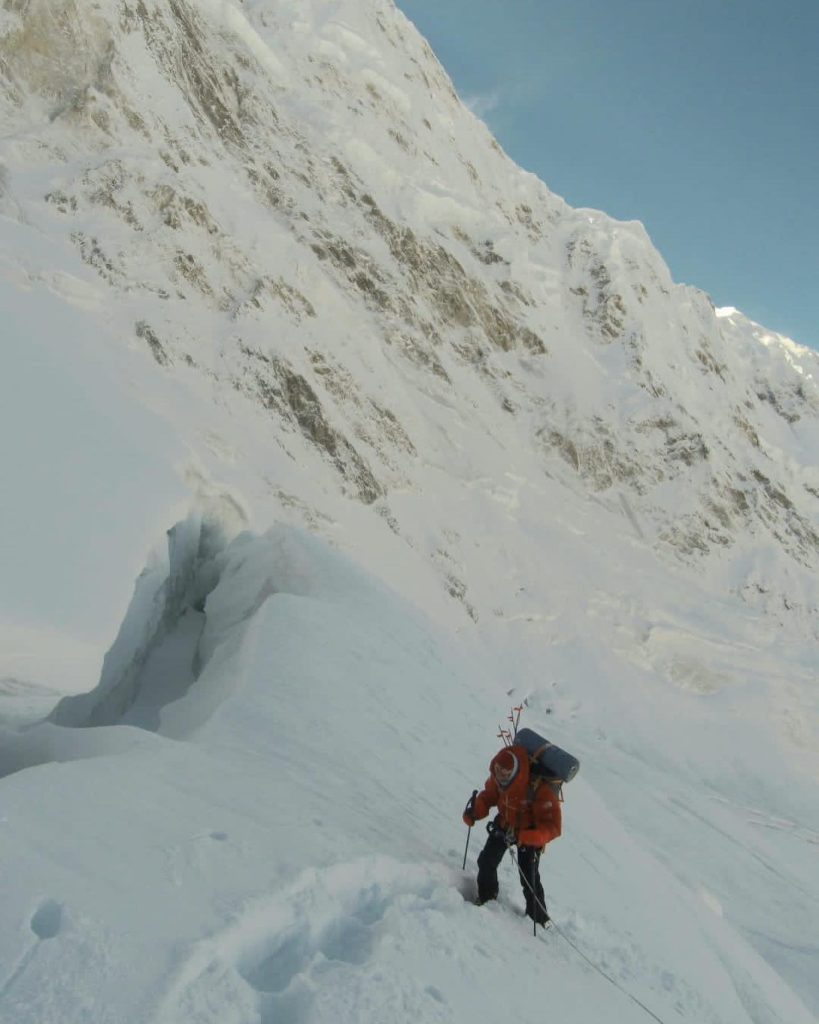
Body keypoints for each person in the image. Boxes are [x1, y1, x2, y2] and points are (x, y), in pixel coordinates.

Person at [462, 744, 562, 924]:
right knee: (486, 862)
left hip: (528, 834)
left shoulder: (538, 787)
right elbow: (489, 796)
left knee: (529, 879)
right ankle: (486, 899)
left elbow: (552, 826)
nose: (499, 776)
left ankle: (538, 920)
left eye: (504, 773)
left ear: (514, 771)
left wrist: (529, 837)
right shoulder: (498, 778)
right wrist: (475, 812)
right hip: (505, 824)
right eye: (497, 770)